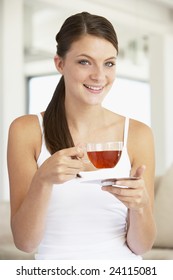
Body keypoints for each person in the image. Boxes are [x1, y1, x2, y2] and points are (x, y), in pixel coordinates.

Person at [7, 11, 156, 260]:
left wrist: (140, 207)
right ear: (60, 63)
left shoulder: (138, 134)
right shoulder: (26, 131)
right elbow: (25, 242)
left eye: (109, 63)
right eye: (85, 62)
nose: (99, 76)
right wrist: (42, 181)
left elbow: (142, 246)